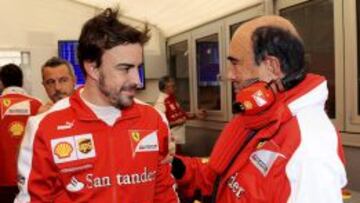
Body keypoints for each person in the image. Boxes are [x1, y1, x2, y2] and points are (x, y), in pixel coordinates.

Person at [171, 15, 347, 203]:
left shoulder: (310, 148)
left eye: (235, 63)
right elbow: (216, 179)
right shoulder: (254, 115)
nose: (229, 74)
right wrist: (175, 166)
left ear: (271, 66)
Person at [15, 8, 178, 203]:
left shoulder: (153, 119)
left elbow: (164, 194)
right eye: (125, 68)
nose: (136, 79)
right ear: (92, 67)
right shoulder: (44, 127)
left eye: (138, 67)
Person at [0, 64, 42, 203]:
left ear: (1, 82)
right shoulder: (39, 105)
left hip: (2, 180)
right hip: (32, 179)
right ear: (22, 81)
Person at [154, 76, 206, 154]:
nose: (176, 88)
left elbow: (180, 115)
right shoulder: (161, 102)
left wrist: (196, 115)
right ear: (166, 88)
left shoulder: (172, 98)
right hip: (169, 142)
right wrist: (176, 123)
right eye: (173, 86)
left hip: (177, 140)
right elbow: (159, 124)